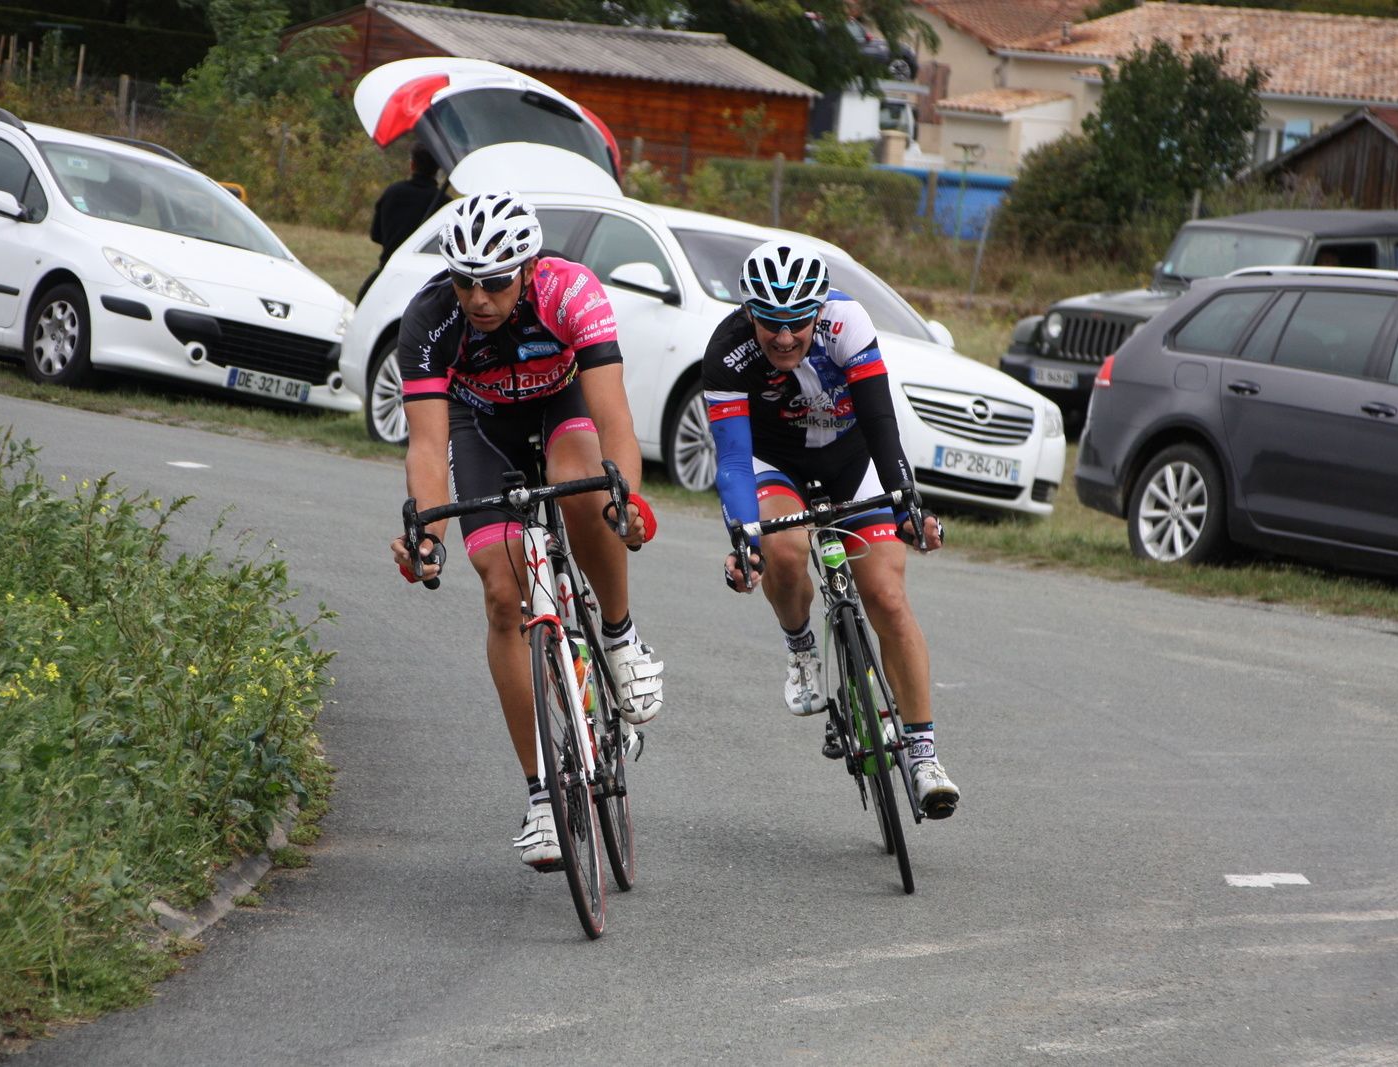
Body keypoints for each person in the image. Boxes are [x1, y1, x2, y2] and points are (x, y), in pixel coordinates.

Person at [390, 191, 665, 868]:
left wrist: (624, 496)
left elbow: (615, 418)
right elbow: (426, 447)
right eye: (464, 281)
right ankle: (542, 795)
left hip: (560, 406)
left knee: (585, 489)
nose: (477, 297)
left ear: (528, 267)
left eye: (494, 281)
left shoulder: (571, 292)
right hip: (479, 426)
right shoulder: (429, 320)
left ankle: (620, 637)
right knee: (500, 591)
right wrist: (428, 537)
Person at [701, 238, 959, 820]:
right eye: (770, 322)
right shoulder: (727, 351)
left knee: (888, 598)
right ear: (750, 313)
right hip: (776, 465)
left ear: (819, 310)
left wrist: (906, 507)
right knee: (784, 551)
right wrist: (743, 542)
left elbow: (879, 420)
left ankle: (923, 754)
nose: (785, 337)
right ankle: (801, 650)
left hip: (853, 459)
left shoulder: (848, 322)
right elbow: (736, 460)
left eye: (797, 322)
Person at [358, 143, 443, 302]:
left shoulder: (392, 192)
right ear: (438, 169)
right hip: (427, 281)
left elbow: (376, 235)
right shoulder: (444, 204)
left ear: (412, 165)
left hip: (387, 273)